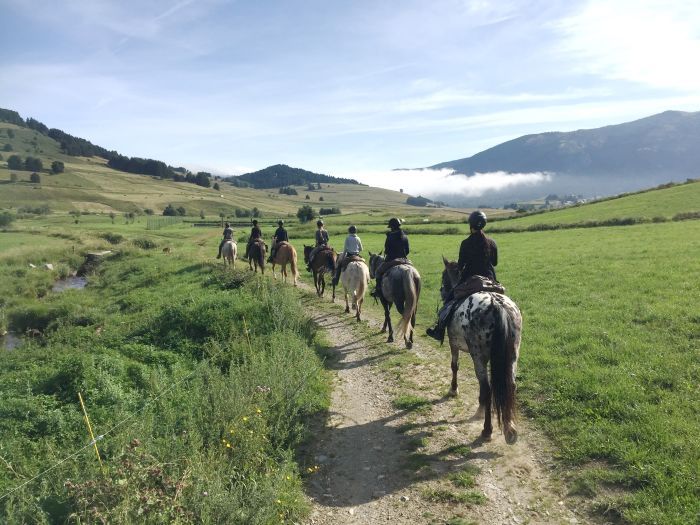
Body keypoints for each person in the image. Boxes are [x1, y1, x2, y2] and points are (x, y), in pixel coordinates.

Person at [426, 210, 498, 341]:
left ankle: (439, 329)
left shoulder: (466, 243)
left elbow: (461, 266)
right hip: (490, 279)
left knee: (449, 300)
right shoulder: (492, 243)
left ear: (470, 225)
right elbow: (495, 263)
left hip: (470, 279)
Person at [373, 217, 409, 298]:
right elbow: (407, 251)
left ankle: (378, 290)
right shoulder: (405, 236)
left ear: (392, 227)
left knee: (378, 271)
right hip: (404, 260)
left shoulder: (390, 236)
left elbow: (387, 250)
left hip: (392, 260)